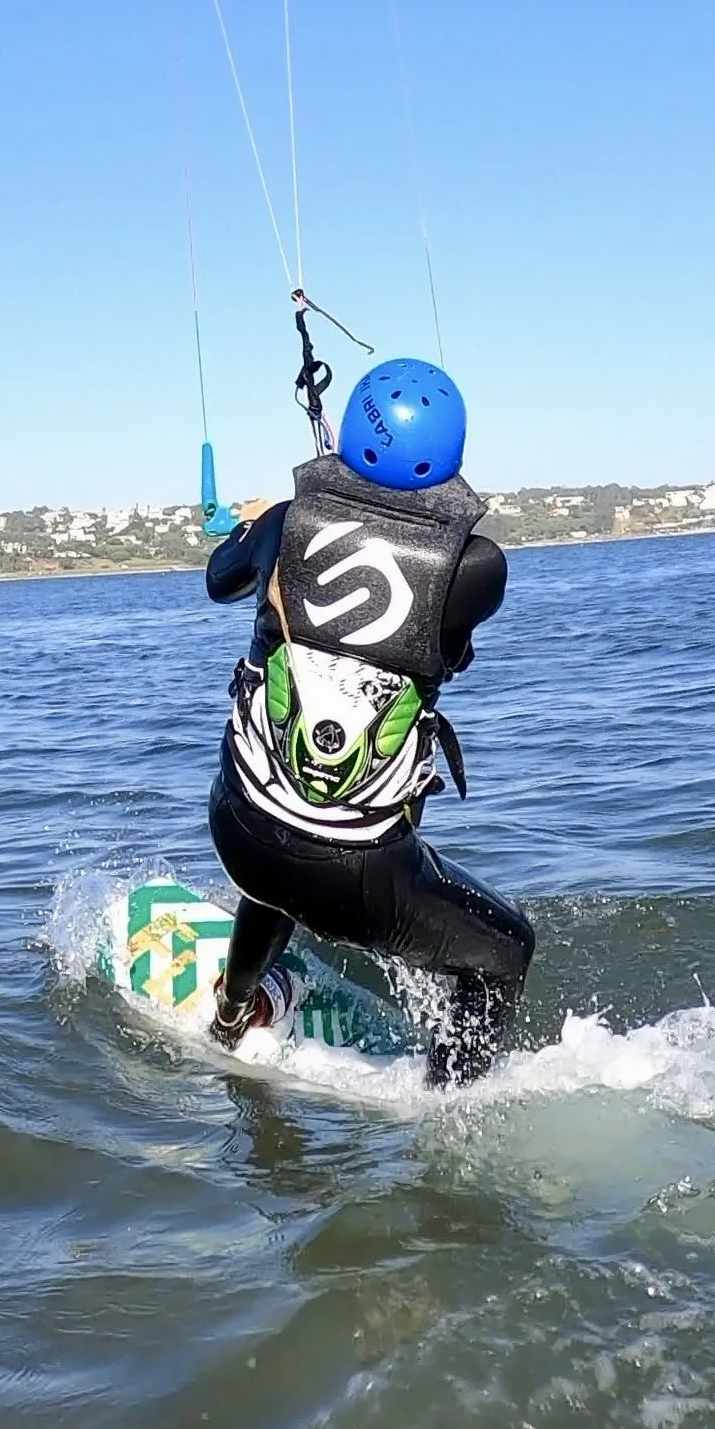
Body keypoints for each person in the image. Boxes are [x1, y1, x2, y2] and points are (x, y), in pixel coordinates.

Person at [204, 358, 534, 1082]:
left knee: (276, 857)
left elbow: (218, 579)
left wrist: (262, 525)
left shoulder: (287, 524)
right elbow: (452, 650)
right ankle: (450, 1104)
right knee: (507, 951)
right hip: (359, 873)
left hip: (239, 830)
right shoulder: (478, 569)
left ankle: (232, 1014)